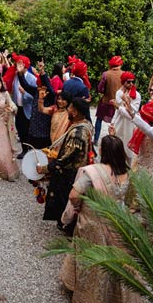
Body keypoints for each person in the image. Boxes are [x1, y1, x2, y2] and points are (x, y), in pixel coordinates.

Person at [59, 134, 143, 303]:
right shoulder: (126, 173)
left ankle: (89, 300)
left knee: (92, 261)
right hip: (117, 223)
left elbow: (74, 195)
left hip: (94, 222)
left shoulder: (93, 172)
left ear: (103, 151)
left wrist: (79, 206)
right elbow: (130, 201)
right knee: (115, 262)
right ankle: (114, 299)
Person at [37, 98, 93, 232]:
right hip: (75, 171)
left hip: (70, 174)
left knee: (65, 200)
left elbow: (66, 159)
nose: (68, 110)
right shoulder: (85, 124)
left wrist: (45, 168)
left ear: (75, 112)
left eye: (70, 108)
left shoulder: (76, 133)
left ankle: (67, 226)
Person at [119, 97, 153, 200]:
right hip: (140, 163)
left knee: (150, 199)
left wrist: (133, 115)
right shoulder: (147, 124)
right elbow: (136, 119)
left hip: (152, 167)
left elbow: (147, 129)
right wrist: (125, 108)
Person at [110, 72, 141, 162]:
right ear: (123, 82)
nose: (131, 84)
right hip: (119, 122)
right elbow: (117, 109)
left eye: (132, 82)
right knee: (117, 143)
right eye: (128, 82)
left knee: (128, 147)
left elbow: (132, 113)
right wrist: (113, 121)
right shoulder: (119, 93)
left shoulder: (137, 95)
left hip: (130, 124)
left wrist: (123, 105)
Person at [94, 56, 124, 145]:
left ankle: (96, 139)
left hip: (106, 102)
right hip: (118, 103)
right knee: (115, 122)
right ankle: (114, 140)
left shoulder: (105, 74)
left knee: (99, 119)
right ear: (120, 64)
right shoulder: (124, 74)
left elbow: (100, 89)